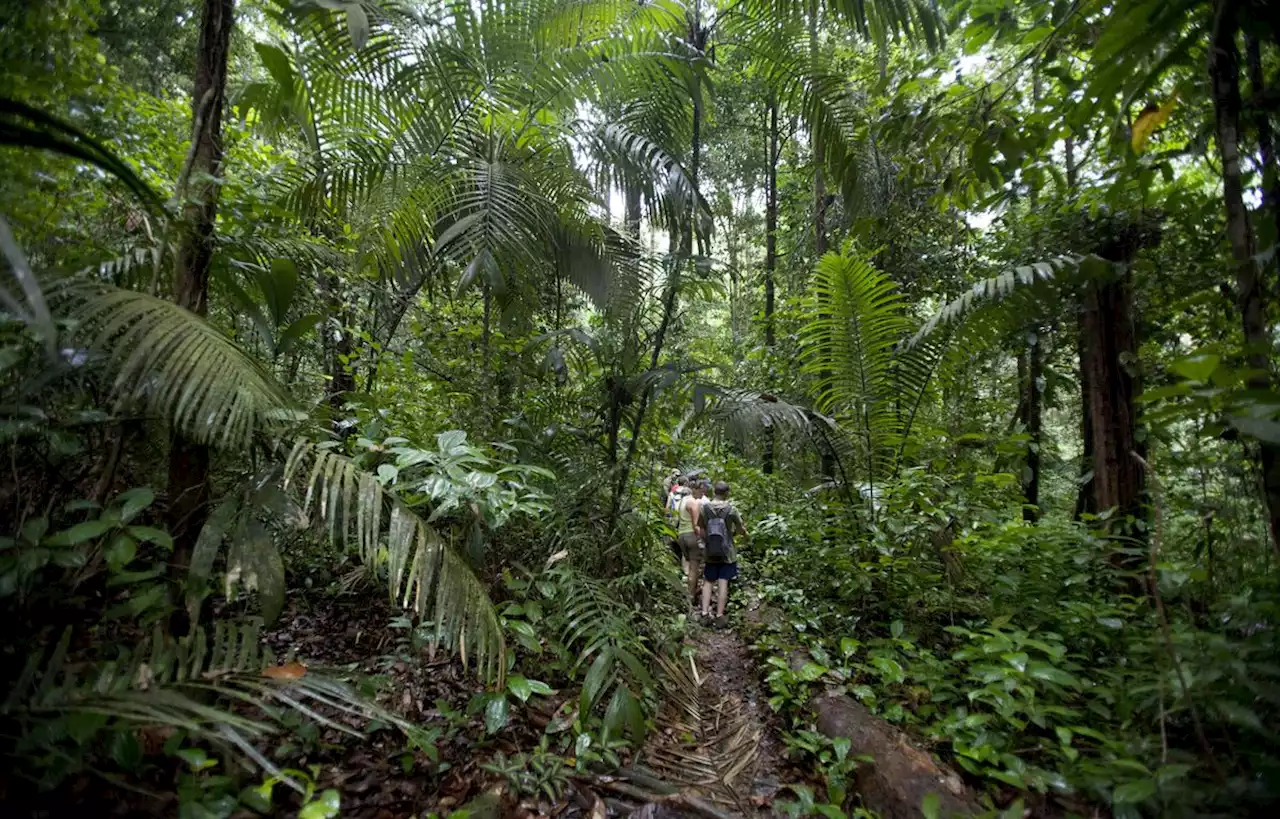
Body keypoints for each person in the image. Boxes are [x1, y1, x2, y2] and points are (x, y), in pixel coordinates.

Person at [700, 481, 747, 628]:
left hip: (710, 551)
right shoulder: (732, 510)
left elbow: (701, 528)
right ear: (727, 493)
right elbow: (740, 530)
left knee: (708, 581)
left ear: (714, 491)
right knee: (723, 581)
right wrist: (744, 535)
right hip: (727, 552)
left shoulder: (704, 508)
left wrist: (706, 542)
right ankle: (720, 616)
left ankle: (704, 614)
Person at [676, 479, 708, 607]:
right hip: (692, 536)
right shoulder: (694, 503)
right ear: (694, 489)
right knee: (694, 568)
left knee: (690, 566)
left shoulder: (683, 501)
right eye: (701, 490)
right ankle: (690, 597)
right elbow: (696, 526)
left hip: (682, 534)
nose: (703, 493)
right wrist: (705, 539)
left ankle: (692, 591)